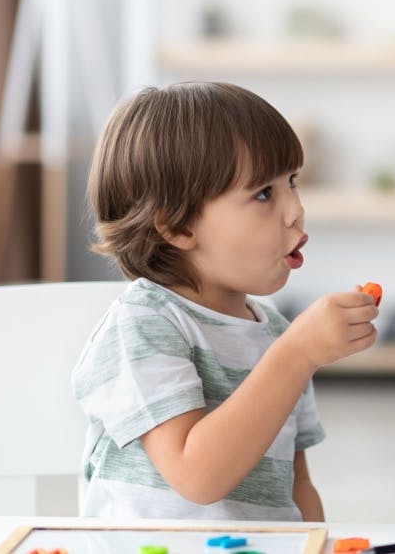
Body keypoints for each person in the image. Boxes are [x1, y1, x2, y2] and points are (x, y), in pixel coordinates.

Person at [73, 82, 379, 520]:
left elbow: (297, 486)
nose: (295, 209)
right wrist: (297, 356)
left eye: (291, 182)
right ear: (177, 228)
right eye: (263, 194)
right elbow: (197, 476)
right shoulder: (143, 324)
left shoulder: (276, 332)